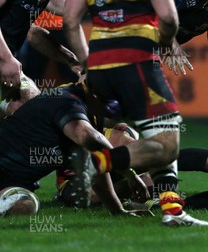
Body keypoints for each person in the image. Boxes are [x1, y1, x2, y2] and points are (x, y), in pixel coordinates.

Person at [63, 0, 207, 227]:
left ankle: (172, 209)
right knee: (169, 144)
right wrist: (165, 39)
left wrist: (87, 62)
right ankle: (100, 161)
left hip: (99, 66)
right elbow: (170, 16)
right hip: (136, 62)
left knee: (164, 126)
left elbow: (70, 21)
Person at [0, 81, 144, 216]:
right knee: (25, 206)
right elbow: (88, 137)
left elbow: (97, 163)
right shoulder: (66, 100)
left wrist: (118, 211)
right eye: (114, 103)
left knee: (25, 205)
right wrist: (129, 173)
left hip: (13, 182)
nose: (115, 110)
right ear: (96, 94)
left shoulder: (87, 111)